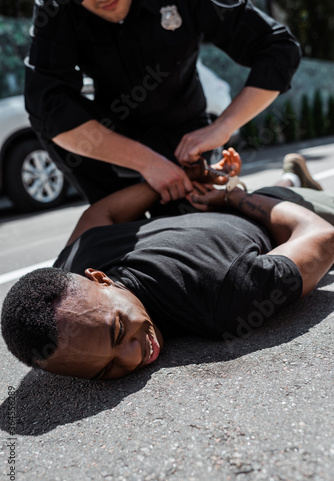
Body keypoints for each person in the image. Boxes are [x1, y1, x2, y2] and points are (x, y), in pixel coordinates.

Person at [2, 151, 334, 380]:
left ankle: (291, 181)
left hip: (268, 214)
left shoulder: (224, 294)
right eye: (106, 370)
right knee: (276, 189)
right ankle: (292, 175)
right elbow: (97, 217)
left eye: (118, 330)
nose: (133, 357)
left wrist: (231, 195)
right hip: (207, 213)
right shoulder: (70, 269)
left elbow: (321, 235)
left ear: (100, 278)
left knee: (288, 197)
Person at [24, 0, 301, 211]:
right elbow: (45, 103)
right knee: (115, 238)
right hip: (113, 139)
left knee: (212, 224)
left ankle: (291, 178)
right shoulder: (55, 8)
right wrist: (146, 163)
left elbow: (278, 48)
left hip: (183, 139)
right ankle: (113, 215)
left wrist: (223, 126)